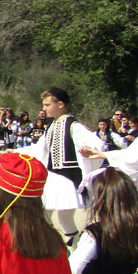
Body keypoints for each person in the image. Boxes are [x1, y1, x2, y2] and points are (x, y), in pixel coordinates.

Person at [21, 87, 105, 244]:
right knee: (44, 215)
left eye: (47, 105)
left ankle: (74, 251)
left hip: (67, 178)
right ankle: (59, 248)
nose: (44, 109)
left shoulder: (73, 125)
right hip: (53, 177)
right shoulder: (52, 126)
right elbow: (39, 149)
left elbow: (97, 145)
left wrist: (89, 151)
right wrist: (14, 151)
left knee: (64, 217)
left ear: (60, 104)